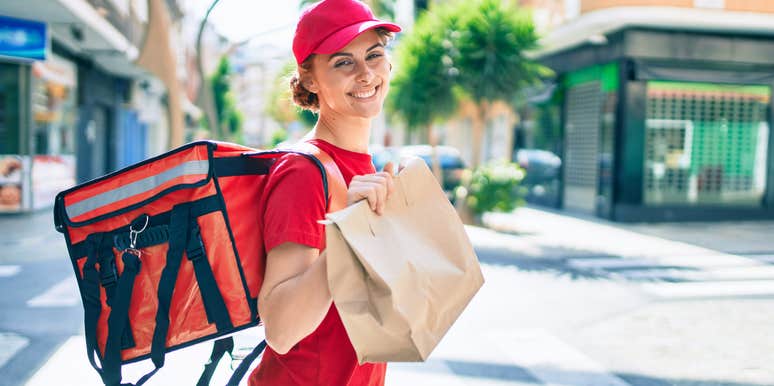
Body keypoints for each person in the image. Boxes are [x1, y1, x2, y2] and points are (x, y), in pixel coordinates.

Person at [248, 0, 401, 385]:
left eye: (374, 55)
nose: (366, 74)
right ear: (310, 79)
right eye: (343, 62)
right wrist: (347, 232)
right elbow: (281, 331)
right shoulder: (303, 171)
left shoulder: (366, 168)